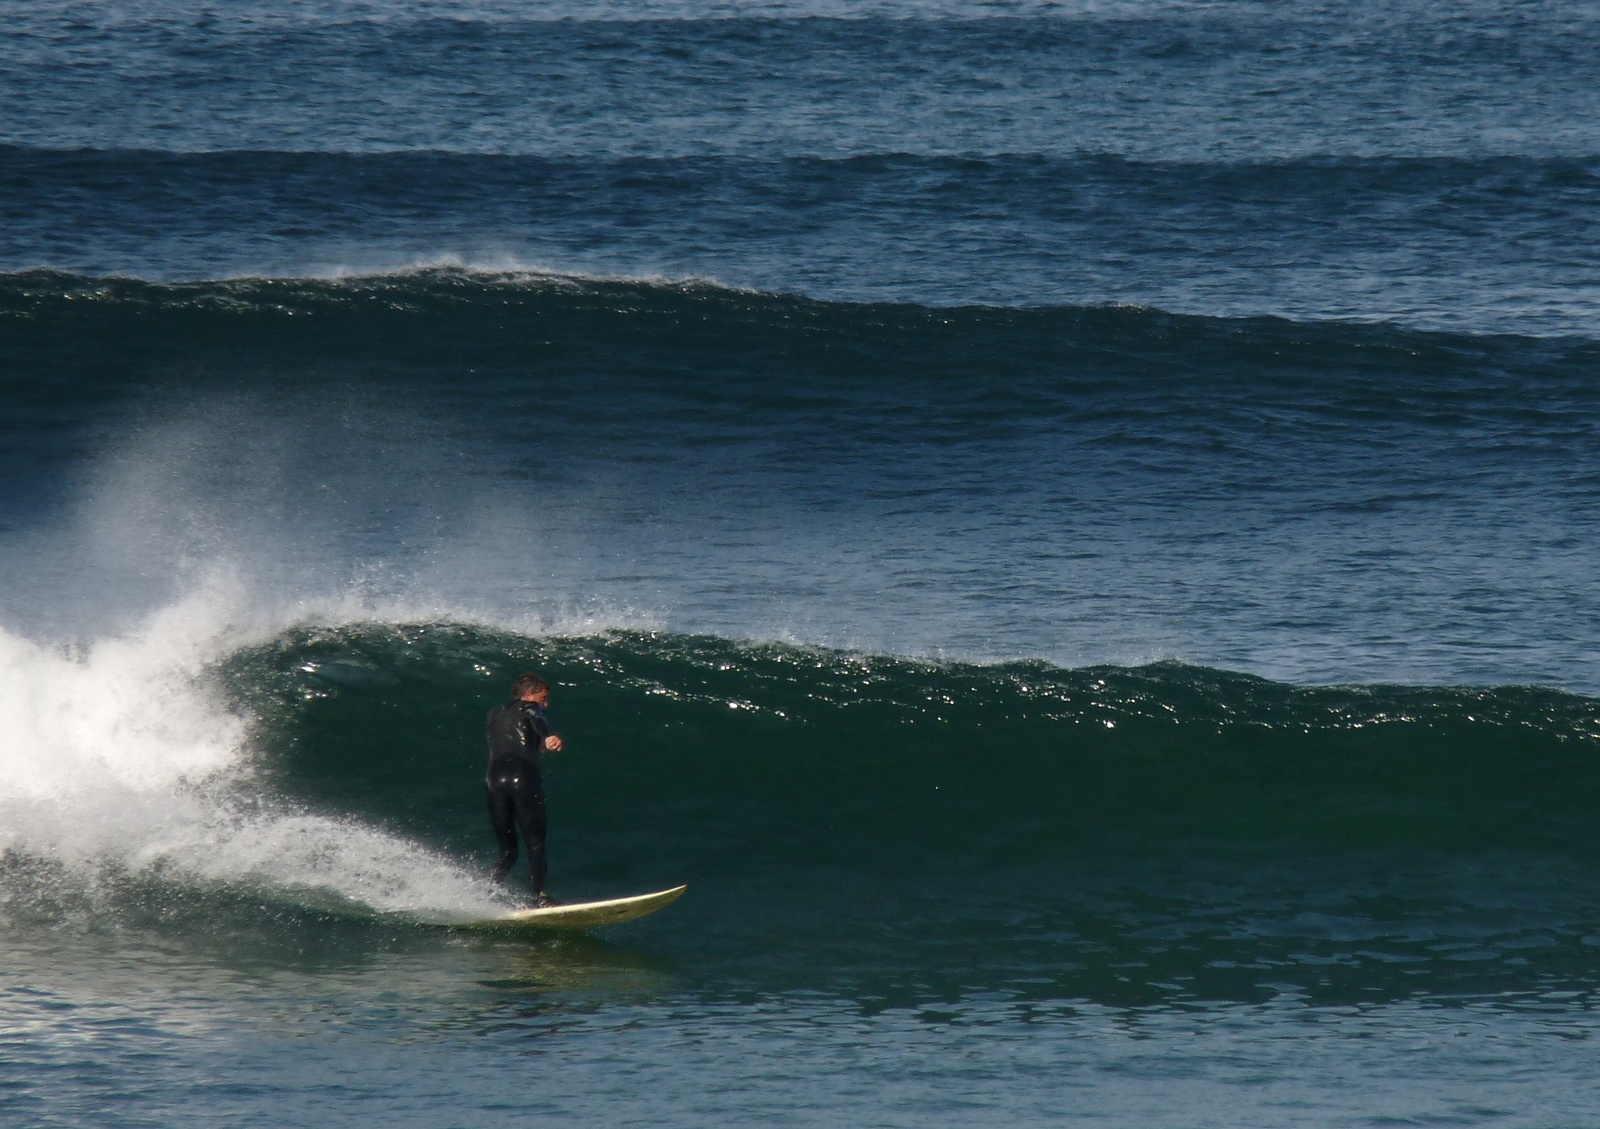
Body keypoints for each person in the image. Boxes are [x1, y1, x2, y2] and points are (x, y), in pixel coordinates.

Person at [484, 672, 565, 904]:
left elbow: (514, 738)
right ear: (529, 694)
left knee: (508, 853)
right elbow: (534, 716)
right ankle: (539, 897)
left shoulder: (495, 713)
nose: (546, 704)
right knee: (535, 843)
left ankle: (483, 892)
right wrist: (547, 737)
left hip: (494, 778)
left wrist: (538, 743)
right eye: (544, 698)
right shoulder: (530, 707)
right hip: (522, 775)